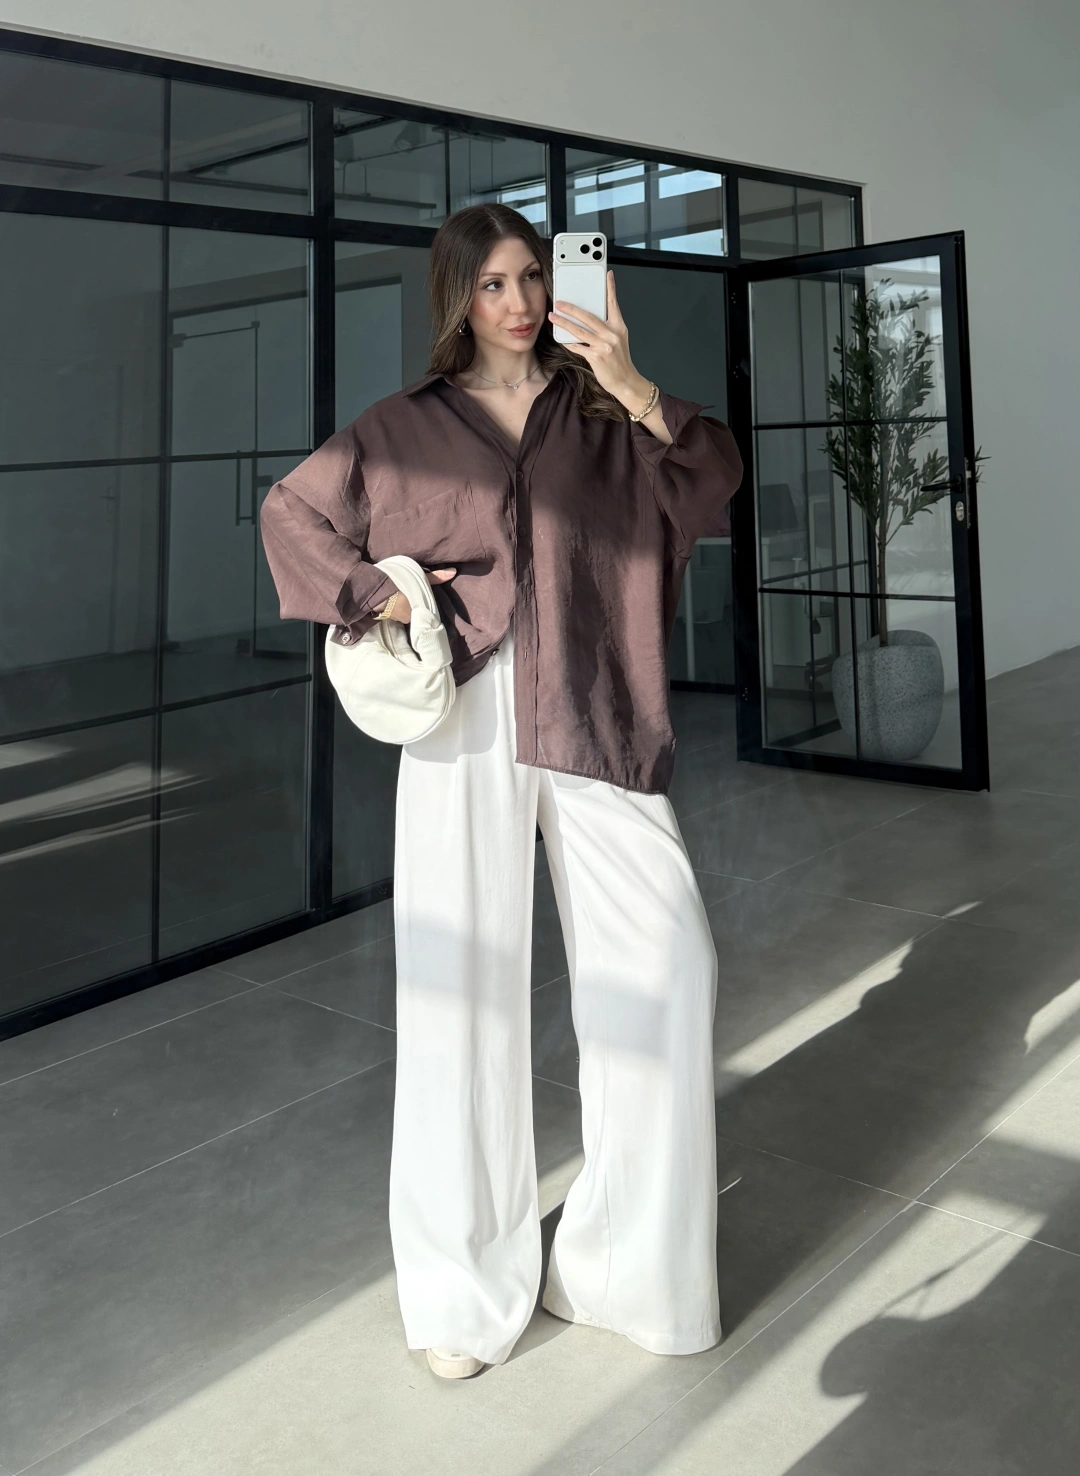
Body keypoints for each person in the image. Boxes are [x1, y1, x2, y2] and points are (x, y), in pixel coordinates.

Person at [260, 203, 743, 1381]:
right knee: (460, 1000)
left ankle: (622, 1269)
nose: (520, 302)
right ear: (457, 298)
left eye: (533, 277)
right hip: (464, 721)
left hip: (596, 704)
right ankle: (461, 1294)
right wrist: (377, 594)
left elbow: (711, 477)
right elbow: (294, 514)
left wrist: (629, 380)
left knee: (669, 968)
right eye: (492, 284)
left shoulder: (606, 414)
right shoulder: (402, 427)